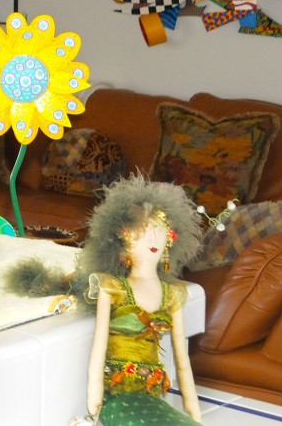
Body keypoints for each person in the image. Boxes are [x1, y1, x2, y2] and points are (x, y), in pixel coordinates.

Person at [81, 177, 204, 425]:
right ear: (123, 242)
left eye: (159, 231)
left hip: (151, 394)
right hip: (116, 397)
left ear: (170, 239)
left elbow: (183, 364)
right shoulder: (113, 288)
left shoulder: (172, 293)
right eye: (142, 232)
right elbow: (98, 350)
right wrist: (94, 409)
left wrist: (195, 414)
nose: (152, 239)